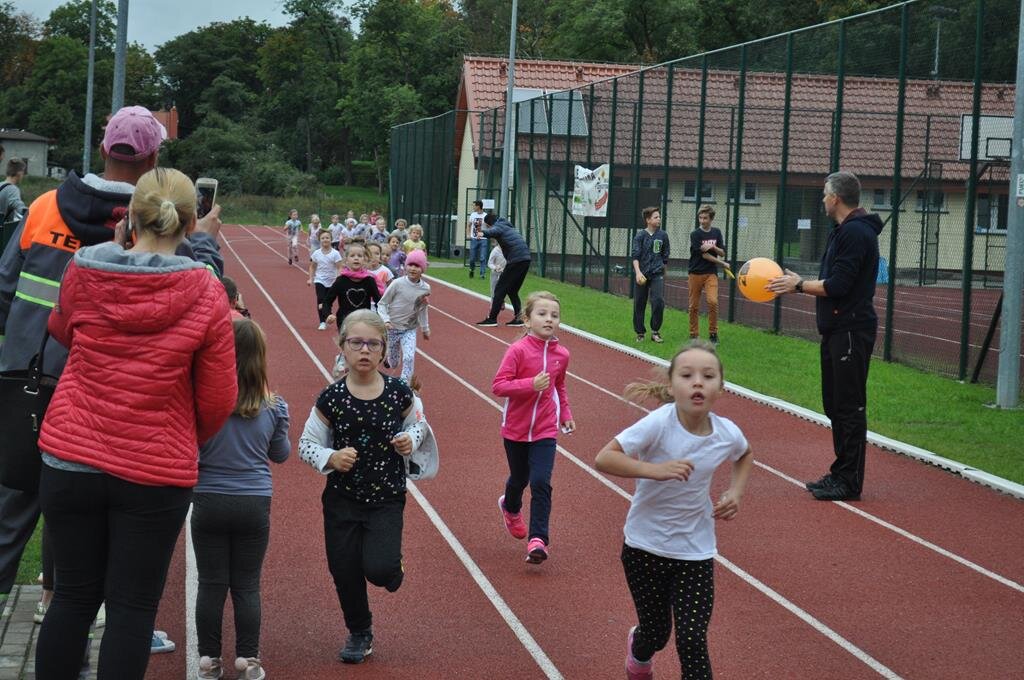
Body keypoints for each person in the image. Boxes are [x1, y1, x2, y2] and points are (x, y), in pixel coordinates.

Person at [0, 105, 224, 624]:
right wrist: (205, 241)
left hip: (26, 377)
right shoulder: (152, 218)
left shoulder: (46, 206)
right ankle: (59, 605)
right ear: (153, 158)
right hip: (100, 390)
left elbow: (6, 288)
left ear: (102, 147)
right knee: (83, 516)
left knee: (13, 506)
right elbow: (201, 293)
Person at [34, 166, 237, 679]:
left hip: (71, 455)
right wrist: (181, 435)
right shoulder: (206, 290)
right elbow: (219, 397)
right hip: (154, 470)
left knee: (72, 597)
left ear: (129, 218)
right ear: (190, 223)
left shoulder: (84, 268)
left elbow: (62, 329)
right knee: (131, 606)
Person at [595, 339, 752, 680]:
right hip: (644, 548)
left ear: (721, 387)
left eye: (708, 376)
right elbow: (604, 458)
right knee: (656, 634)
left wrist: (736, 492)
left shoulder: (726, 433)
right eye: (687, 375)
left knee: (692, 640)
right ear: (671, 386)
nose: (698, 383)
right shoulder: (658, 423)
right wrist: (655, 470)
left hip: (694, 552)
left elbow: (744, 454)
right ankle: (639, 650)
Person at [298, 310, 423, 665]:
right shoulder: (331, 398)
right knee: (344, 569)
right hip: (342, 500)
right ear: (342, 347)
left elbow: (419, 426)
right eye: (356, 343)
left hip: (386, 497)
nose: (364, 350)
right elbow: (306, 444)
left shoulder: (399, 393)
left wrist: (410, 439)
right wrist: (331, 457)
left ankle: (391, 566)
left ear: (383, 349)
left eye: (372, 344)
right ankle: (359, 631)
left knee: (380, 570)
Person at [768, 171, 882, 502]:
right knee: (834, 403)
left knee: (848, 406)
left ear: (835, 198)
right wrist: (801, 283)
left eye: (824, 194)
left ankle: (849, 481)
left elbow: (839, 285)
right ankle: (840, 472)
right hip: (835, 329)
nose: (822, 200)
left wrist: (799, 285)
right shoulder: (843, 231)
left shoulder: (856, 233)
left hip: (851, 330)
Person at [193, 318, 290, 680]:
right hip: (253, 501)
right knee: (247, 584)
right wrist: (280, 426)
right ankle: (248, 660)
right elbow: (280, 454)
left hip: (208, 499)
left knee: (211, 583)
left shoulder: (204, 403)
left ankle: (209, 660)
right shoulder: (274, 407)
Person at [493, 291, 574, 564]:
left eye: (554, 315)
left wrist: (565, 414)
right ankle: (510, 506)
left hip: (545, 429)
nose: (549, 319)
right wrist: (530, 385)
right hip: (515, 428)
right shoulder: (517, 350)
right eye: (542, 314)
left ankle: (538, 540)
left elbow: (560, 386)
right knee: (519, 479)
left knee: (541, 482)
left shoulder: (562, 354)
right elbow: (499, 386)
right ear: (527, 320)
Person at [378, 249, 430, 383]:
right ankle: (390, 358)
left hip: (409, 328)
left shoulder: (425, 288)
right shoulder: (397, 283)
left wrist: (425, 328)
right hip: (392, 328)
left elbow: (423, 308)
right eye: (410, 265)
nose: (413, 268)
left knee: (409, 357)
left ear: (423, 269)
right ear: (405, 266)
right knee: (394, 363)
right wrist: (386, 320)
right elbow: (382, 303)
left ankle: (405, 383)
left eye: (417, 266)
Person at [476, 214, 532, 327]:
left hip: (516, 260)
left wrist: (482, 233)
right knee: (512, 290)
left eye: (487, 226)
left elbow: (492, 232)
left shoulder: (498, 226)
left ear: (489, 224)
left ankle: (492, 319)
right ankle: (519, 318)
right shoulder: (507, 225)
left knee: (499, 289)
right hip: (525, 259)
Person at [687, 205, 730, 344]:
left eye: (705, 218)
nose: (702, 221)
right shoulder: (695, 234)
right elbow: (704, 255)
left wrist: (713, 246)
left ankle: (713, 334)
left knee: (713, 302)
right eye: (700, 218)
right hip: (695, 273)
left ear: (711, 219)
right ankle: (694, 335)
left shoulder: (716, 232)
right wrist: (722, 263)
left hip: (711, 273)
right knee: (693, 306)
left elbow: (722, 252)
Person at [632, 206, 670, 344]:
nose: (659, 219)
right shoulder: (640, 236)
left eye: (659, 217)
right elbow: (635, 256)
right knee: (639, 302)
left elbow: (665, 255)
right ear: (648, 220)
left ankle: (655, 331)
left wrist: (664, 270)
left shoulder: (663, 235)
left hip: (656, 273)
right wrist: (638, 273)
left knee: (658, 301)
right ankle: (640, 332)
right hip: (642, 274)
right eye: (656, 217)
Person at [308, 231, 343, 330]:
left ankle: (328, 315)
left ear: (331, 239)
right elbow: (312, 267)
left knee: (328, 302)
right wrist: (310, 278)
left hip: (332, 281)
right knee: (320, 299)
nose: (325, 240)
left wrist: (338, 278)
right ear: (319, 240)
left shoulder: (335, 253)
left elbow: (340, 267)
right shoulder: (316, 253)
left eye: (327, 238)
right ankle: (322, 321)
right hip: (320, 280)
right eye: (323, 238)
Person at [0, 158, 27, 226]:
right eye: (23, 172)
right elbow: (20, 208)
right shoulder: (13, 189)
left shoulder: (0, 184)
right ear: (19, 173)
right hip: (3, 230)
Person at [467, 200, 488, 279]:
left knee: (483, 257)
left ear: (478, 206)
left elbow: (489, 227)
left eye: (474, 205)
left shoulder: (486, 215)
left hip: (483, 239)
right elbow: (469, 225)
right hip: (474, 239)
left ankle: (482, 274)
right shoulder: (473, 215)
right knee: (472, 258)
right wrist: (468, 234)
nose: (473, 207)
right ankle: (472, 270)